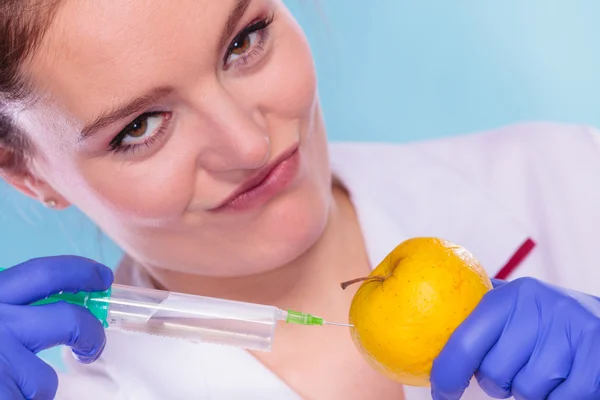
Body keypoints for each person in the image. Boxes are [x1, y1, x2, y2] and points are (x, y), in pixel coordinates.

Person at [1, 1, 600, 399]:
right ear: (30, 176)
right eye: (140, 127)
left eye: (245, 41)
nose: (250, 143)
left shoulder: (570, 175)